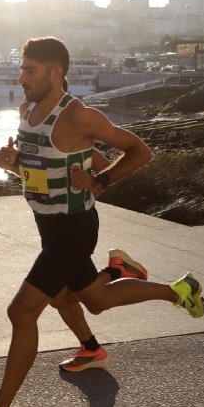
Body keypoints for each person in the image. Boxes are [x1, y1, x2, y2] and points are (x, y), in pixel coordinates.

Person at [0, 37, 204, 407]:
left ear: (55, 73)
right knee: (97, 301)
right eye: (22, 68)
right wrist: (12, 164)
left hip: (73, 228)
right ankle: (177, 291)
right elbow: (39, 171)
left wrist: (100, 180)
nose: (21, 78)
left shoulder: (80, 117)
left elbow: (139, 151)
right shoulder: (27, 111)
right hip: (49, 225)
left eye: (29, 70)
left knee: (22, 312)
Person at [49, 146, 150, 372]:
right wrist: (12, 164)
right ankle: (92, 349)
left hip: (75, 227)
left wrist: (94, 183)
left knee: (62, 298)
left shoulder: (73, 141)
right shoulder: (36, 141)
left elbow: (105, 168)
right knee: (59, 298)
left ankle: (170, 289)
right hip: (54, 227)